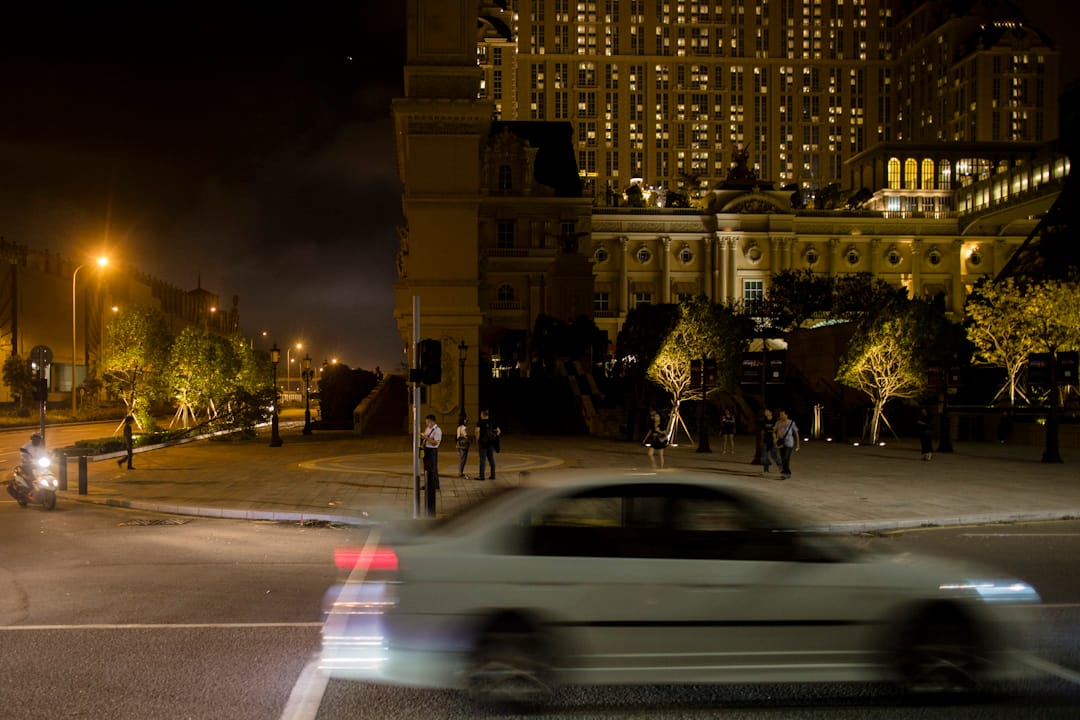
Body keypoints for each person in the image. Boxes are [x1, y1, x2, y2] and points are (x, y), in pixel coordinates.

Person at [773, 408, 800, 479]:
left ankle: (786, 473)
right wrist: (775, 439)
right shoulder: (778, 422)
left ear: (786, 415)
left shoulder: (791, 423)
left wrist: (798, 444)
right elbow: (774, 431)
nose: (781, 416)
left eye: (782, 415)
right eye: (780, 415)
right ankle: (786, 473)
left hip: (789, 443)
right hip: (780, 443)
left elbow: (796, 433)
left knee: (786, 458)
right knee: (783, 458)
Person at [476, 408, 499, 481]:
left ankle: (482, 476)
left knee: (482, 460)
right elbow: (498, 431)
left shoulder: (480, 422)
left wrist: (477, 440)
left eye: (481, 414)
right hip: (490, 443)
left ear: (482, 414)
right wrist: (493, 436)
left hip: (482, 443)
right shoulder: (492, 422)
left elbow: (477, 432)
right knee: (491, 459)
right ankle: (493, 475)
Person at [420, 414, 441, 492]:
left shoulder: (437, 430)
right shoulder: (427, 428)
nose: (427, 424)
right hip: (426, 449)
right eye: (426, 422)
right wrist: (422, 444)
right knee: (426, 468)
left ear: (432, 421)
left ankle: (435, 486)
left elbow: (435, 443)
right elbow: (425, 439)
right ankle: (427, 485)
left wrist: (425, 437)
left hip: (432, 451)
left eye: (428, 422)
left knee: (433, 469)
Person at [760, 408, 781, 475]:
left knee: (774, 456)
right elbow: (763, 431)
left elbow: (778, 431)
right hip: (766, 440)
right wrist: (762, 440)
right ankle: (766, 470)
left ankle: (781, 467)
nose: (765, 412)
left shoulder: (775, 421)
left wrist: (777, 440)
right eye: (765, 411)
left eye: (767, 411)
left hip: (773, 441)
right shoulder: (764, 420)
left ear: (770, 412)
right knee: (764, 456)